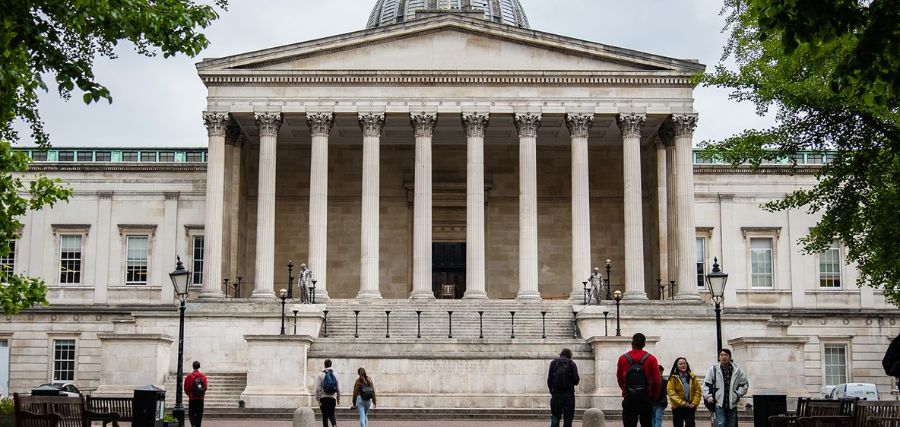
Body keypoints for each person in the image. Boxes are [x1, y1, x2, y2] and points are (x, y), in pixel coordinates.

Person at [617, 333, 661, 427]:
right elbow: (657, 381)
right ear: (644, 344)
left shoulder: (623, 358)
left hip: (629, 397)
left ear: (632, 343)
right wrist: (653, 397)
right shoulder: (651, 359)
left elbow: (620, 378)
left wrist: (626, 391)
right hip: (646, 397)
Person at [702, 349, 749, 427]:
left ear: (730, 357)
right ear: (719, 357)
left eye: (726, 355)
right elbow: (707, 384)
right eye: (722, 355)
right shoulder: (714, 369)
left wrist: (737, 394)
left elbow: (744, 384)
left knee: (731, 424)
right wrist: (709, 397)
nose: (723, 357)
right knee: (721, 424)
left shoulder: (737, 370)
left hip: (732, 403)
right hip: (719, 403)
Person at [547, 348, 581, 427]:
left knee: (555, 416)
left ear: (561, 354)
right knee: (568, 418)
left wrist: (552, 391)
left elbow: (549, 380)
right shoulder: (572, 363)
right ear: (570, 355)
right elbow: (576, 380)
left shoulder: (553, 362)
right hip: (568, 395)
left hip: (556, 394)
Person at [667, 357, 701, 427]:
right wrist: (683, 403)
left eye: (685, 363)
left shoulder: (692, 377)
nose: (683, 365)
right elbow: (671, 393)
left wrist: (694, 403)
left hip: (690, 406)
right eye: (681, 364)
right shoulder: (673, 378)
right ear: (676, 366)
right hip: (677, 407)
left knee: (690, 425)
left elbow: (698, 391)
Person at [316, 359, 340, 427]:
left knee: (325, 415)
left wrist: (318, 399)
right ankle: (334, 425)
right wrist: (338, 399)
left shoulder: (320, 374)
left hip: (323, 398)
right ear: (331, 365)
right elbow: (338, 388)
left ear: (324, 365)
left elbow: (318, 389)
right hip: (332, 398)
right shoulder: (335, 374)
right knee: (332, 414)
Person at [183, 360, 208, 427]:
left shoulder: (189, 376)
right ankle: (198, 425)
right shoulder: (203, 376)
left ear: (193, 366)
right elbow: (205, 387)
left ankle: (193, 425)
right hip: (200, 398)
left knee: (191, 413)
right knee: (199, 414)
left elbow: (186, 388)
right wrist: (201, 393)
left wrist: (190, 394)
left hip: (192, 398)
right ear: (199, 366)